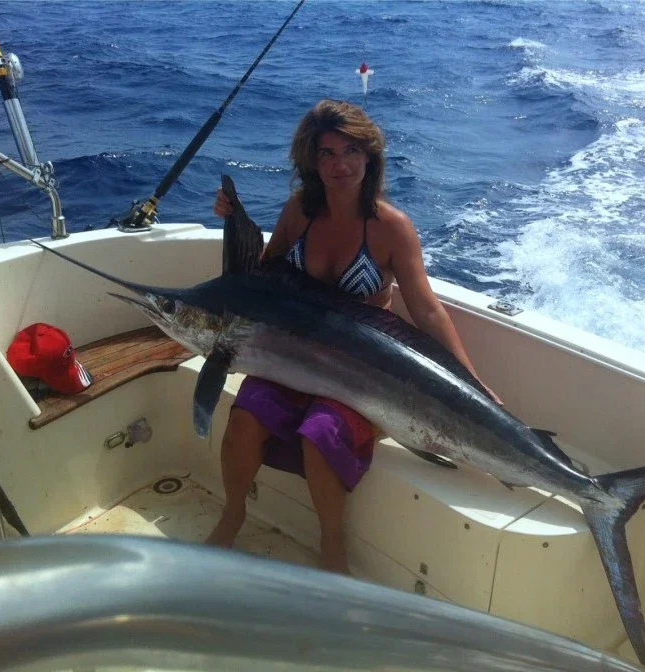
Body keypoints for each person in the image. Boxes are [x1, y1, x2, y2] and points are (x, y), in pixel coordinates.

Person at [205, 99, 498, 573]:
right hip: (296, 357)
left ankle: (333, 550)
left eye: (350, 151)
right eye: (327, 153)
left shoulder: (392, 227)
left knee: (320, 435)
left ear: (369, 157)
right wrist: (234, 223)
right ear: (311, 160)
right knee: (244, 420)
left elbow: (427, 309)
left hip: (362, 373)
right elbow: (263, 275)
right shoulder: (299, 211)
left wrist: (474, 384)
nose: (339, 165)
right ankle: (232, 515)